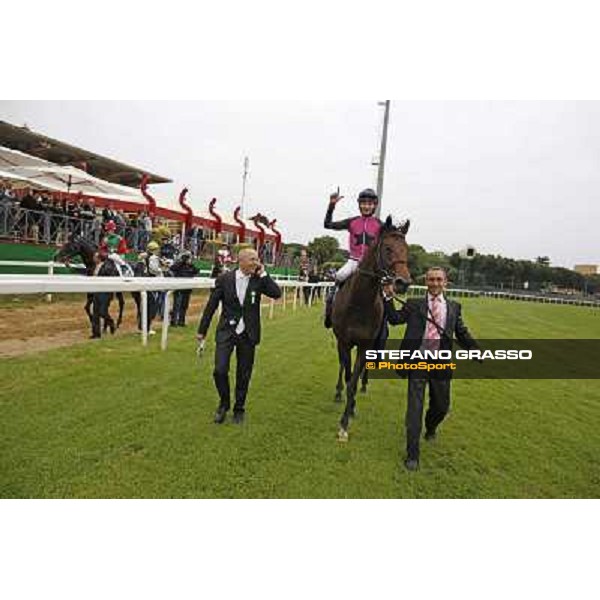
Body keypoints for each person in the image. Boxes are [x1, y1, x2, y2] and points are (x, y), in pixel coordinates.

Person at [383, 267, 479, 471]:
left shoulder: (454, 307)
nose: (434, 283)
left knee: (441, 406)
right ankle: (412, 454)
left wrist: (475, 350)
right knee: (414, 409)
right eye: (431, 279)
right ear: (426, 282)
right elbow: (394, 319)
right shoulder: (414, 303)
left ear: (446, 282)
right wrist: (387, 297)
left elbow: (461, 332)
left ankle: (431, 427)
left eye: (438, 279)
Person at [196, 248, 282, 424]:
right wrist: (202, 330)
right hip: (227, 330)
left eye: (257, 259)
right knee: (219, 370)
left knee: (244, 373)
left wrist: (264, 273)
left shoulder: (259, 279)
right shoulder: (224, 279)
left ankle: (239, 408)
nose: (256, 262)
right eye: (252, 259)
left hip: (248, 333)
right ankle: (224, 404)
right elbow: (211, 306)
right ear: (240, 261)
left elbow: (276, 293)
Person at [323, 187, 384, 327]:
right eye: (363, 203)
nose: (366, 206)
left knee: (383, 290)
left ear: (374, 205)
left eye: (369, 203)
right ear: (359, 204)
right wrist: (331, 205)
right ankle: (329, 311)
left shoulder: (379, 225)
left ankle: (383, 324)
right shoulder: (352, 222)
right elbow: (327, 224)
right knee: (339, 276)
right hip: (353, 261)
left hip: (371, 265)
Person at [169, 250, 199, 326]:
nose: (189, 259)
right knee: (177, 305)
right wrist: (182, 262)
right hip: (179, 288)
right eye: (187, 258)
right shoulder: (178, 265)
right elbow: (172, 268)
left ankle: (181, 321)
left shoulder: (191, 266)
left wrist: (191, 265)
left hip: (187, 289)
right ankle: (174, 321)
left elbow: (196, 271)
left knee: (184, 306)